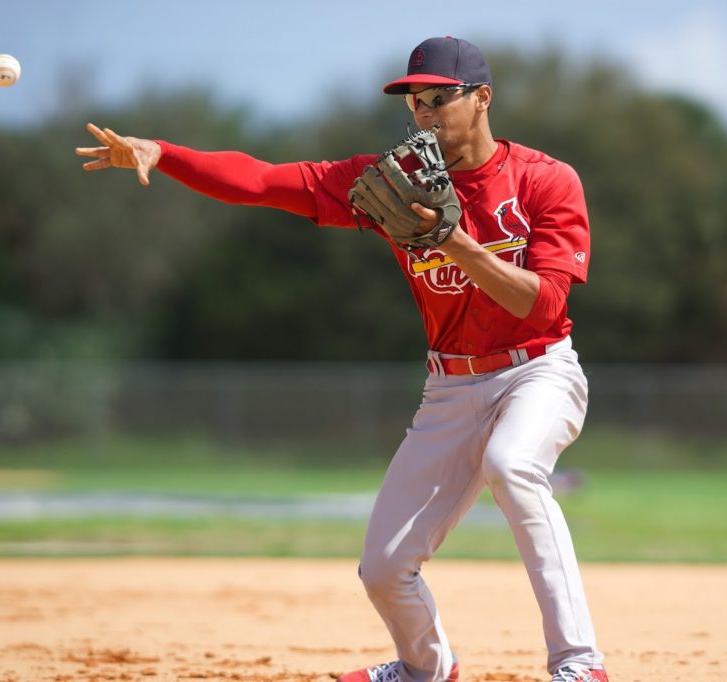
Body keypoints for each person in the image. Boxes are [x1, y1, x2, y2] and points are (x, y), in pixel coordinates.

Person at [76, 36, 608, 682]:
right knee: (384, 567)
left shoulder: (545, 181)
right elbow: (266, 182)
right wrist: (164, 155)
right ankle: (426, 668)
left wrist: (453, 241)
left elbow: (544, 305)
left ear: (482, 98)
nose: (426, 114)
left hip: (538, 370)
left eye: (440, 98)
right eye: (416, 102)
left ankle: (580, 666)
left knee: (512, 464)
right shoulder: (393, 186)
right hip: (451, 386)